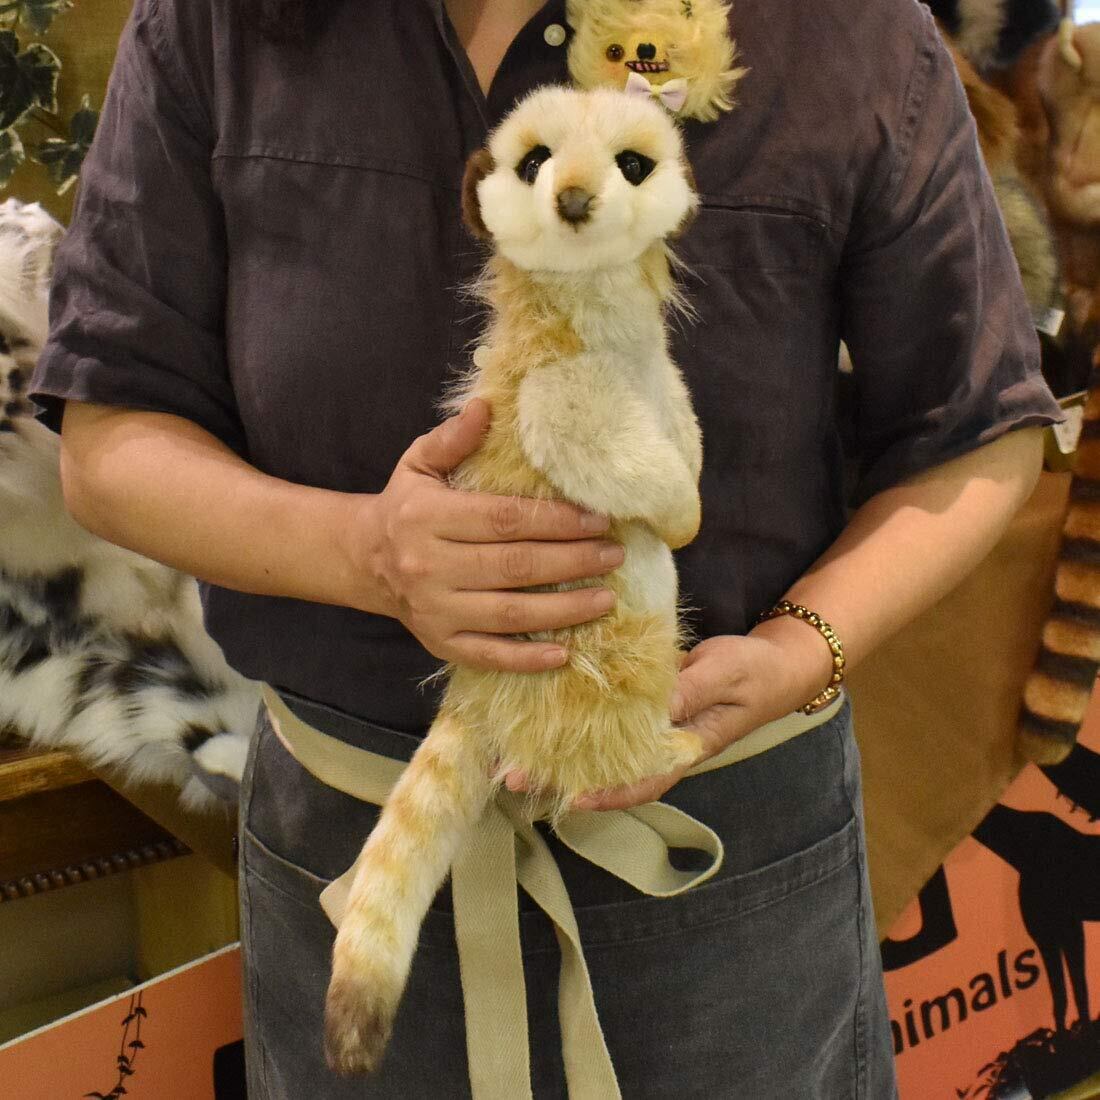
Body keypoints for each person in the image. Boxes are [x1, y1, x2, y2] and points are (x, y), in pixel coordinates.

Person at [31, 0, 1063, 1094]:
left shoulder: (844, 33)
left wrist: (805, 644)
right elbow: (111, 436)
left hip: (724, 867)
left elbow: (975, 434)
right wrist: (364, 552)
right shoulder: (214, 28)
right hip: (358, 853)